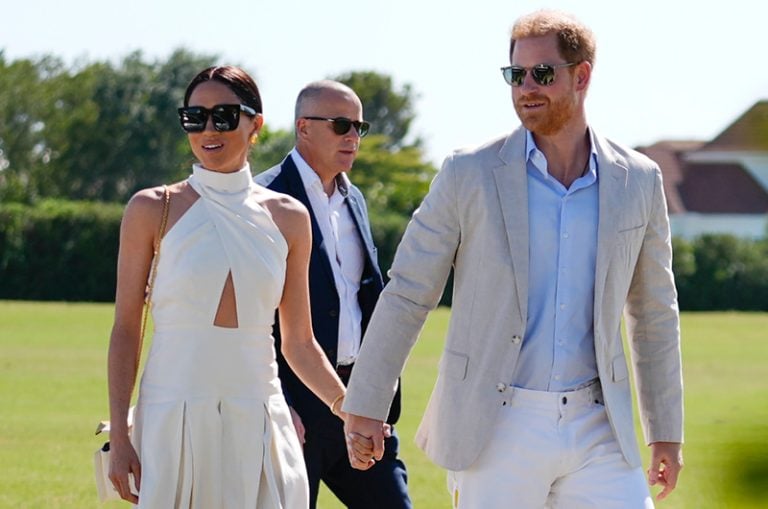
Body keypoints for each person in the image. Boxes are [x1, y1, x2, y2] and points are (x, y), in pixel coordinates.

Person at [343, 9, 683, 509]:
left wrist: (666, 431)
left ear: (582, 75)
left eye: (542, 74)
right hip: (496, 422)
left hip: (598, 422)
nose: (526, 87)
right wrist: (367, 404)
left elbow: (654, 313)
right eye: (515, 74)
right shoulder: (468, 172)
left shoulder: (639, 180)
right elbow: (409, 291)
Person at [106, 66, 352, 508]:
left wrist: (349, 409)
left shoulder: (290, 217)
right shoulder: (150, 208)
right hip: (172, 414)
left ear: (255, 124)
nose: (207, 129)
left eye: (223, 116)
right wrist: (121, 438)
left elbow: (298, 342)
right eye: (194, 118)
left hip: (259, 413)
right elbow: (126, 329)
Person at [255, 80, 411, 509]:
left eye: (359, 127)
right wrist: (279, 401)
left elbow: (366, 299)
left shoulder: (355, 199)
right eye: (342, 125)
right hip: (294, 404)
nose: (353, 137)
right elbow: (252, 315)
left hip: (358, 401)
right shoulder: (263, 199)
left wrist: (377, 396)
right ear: (304, 128)